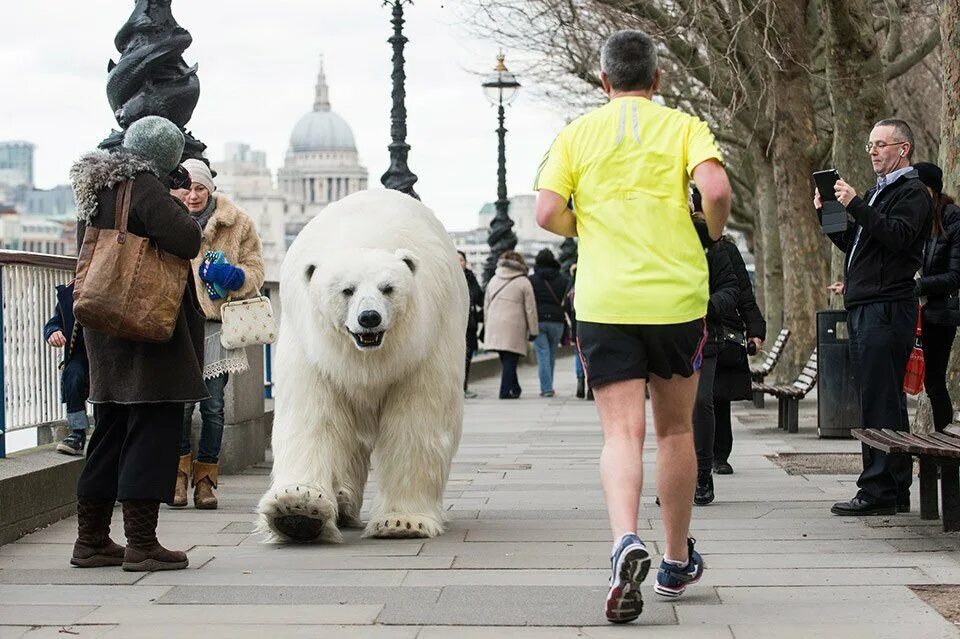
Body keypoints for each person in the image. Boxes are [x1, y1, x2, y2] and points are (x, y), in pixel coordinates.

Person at [534, 29, 730, 623]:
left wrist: (584, 228)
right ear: (658, 79)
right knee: (674, 432)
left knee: (621, 435)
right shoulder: (683, 127)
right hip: (675, 299)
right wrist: (711, 231)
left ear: (602, 80)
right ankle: (674, 559)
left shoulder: (575, 134)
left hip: (606, 300)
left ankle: (624, 539)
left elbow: (544, 212)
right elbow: (716, 188)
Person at [69, 116, 207, 571]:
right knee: (153, 429)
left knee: (108, 431)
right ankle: (142, 544)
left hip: (105, 329)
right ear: (165, 156)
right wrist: (177, 202)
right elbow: (186, 239)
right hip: (147, 330)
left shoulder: (96, 188)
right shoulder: (143, 185)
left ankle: (90, 540)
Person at [817, 118, 933, 516]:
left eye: (880, 145)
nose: (872, 152)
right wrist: (831, 215)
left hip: (887, 306)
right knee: (883, 397)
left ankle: (877, 490)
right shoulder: (876, 194)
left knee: (879, 399)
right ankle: (895, 487)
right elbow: (857, 244)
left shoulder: (913, 192)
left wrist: (857, 205)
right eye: (869, 146)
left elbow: (898, 238)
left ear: (903, 148)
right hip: (868, 304)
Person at [172, 158, 265, 510]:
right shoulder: (168, 220)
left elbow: (256, 269)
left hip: (214, 327)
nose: (193, 195)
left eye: (200, 188)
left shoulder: (237, 223)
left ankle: (205, 481)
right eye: (188, 188)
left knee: (213, 408)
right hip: (178, 327)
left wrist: (233, 277)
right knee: (180, 407)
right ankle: (177, 476)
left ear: (211, 189)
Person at [690, 215, 740, 506]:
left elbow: (733, 288)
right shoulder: (656, 236)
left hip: (704, 332)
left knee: (701, 401)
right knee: (672, 411)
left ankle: (702, 473)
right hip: (666, 332)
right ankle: (675, 474)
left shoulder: (713, 244)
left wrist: (708, 306)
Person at [711, 242, 766, 475]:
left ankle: (719, 455)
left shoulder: (725, 249)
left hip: (721, 332)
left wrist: (755, 330)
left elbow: (744, 293)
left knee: (718, 396)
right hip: (684, 330)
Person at [913, 162, 960, 432]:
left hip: (939, 314)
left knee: (934, 382)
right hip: (911, 311)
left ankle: (945, 448)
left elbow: (956, 275)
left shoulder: (952, 218)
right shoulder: (916, 217)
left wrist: (919, 285)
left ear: (931, 190)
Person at [483, 251, 538, 399]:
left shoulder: (494, 279)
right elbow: (530, 309)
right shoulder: (524, 282)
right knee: (510, 359)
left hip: (495, 324)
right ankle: (505, 391)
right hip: (514, 325)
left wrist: (488, 326)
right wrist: (533, 330)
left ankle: (515, 387)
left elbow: (486, 305)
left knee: (506, 359)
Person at [44, 281, 89, 456]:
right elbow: (54, 322)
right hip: (81, 353)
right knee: (73, 374)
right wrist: (53, 331)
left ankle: (106, 433)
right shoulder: (71, 291)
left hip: (110, 355)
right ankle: (77, 433)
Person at [529, 248, 569, 397]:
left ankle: (546, 388)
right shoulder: (563, 280)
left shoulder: (532, 280)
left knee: (542, 354)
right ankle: (549, 386)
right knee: (551, 354)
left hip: (539, 321)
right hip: (557, 321)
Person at [564, 263, 593, 401]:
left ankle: (580, 382)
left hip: (576, 326)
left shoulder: (572, 290)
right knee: (591, 356)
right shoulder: (589, 286)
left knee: (578, 355)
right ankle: (591, 386)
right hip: (591, 324)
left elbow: (565, 306)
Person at [459, 250, 483, 399]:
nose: (458, 263)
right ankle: (457, 389)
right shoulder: (447, 278)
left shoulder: (471, 278)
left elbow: (479, 297)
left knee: (467, 357)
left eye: (461, 260)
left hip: (470, 324)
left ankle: (464, 387)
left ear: (465, 262)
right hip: (453, 327)